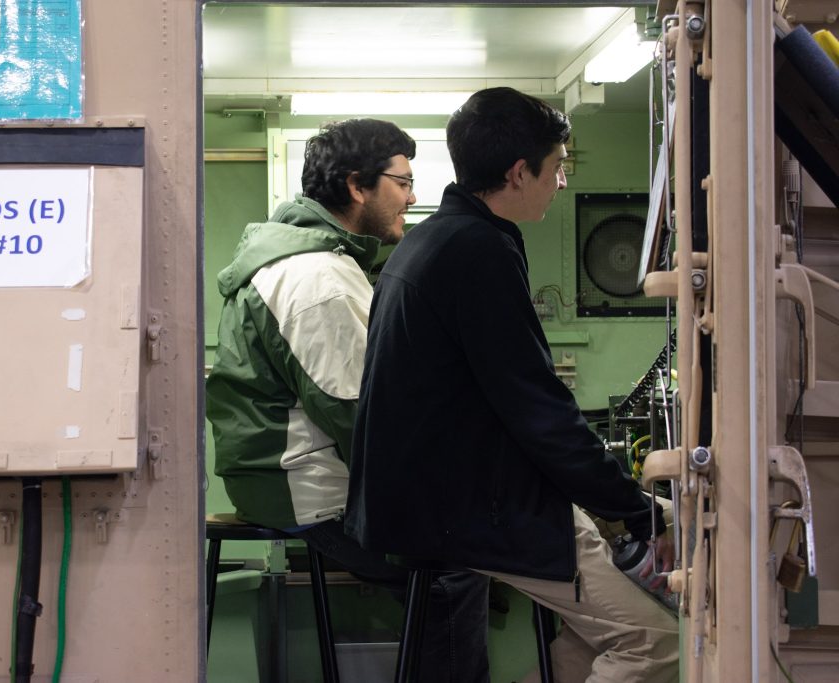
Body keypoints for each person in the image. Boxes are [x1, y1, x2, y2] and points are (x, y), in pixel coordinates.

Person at [345, 88, 679, 683]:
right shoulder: (477, 250)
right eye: (557, 170)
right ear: (520, 172)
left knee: (594, 638)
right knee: (654, 641)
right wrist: (628, 508)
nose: (561, 185)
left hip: (437, 497)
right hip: (466, 510)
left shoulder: (436, 238)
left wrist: (613, 502)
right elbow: (536, 407)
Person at [206, 118, 491, 682]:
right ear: (359, 186)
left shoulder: (317, 262)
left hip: (280, 476)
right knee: (457, 563)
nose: (412, 196)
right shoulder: (318, 279)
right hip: (306, 490)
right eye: (402, 182)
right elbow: (364, 417)